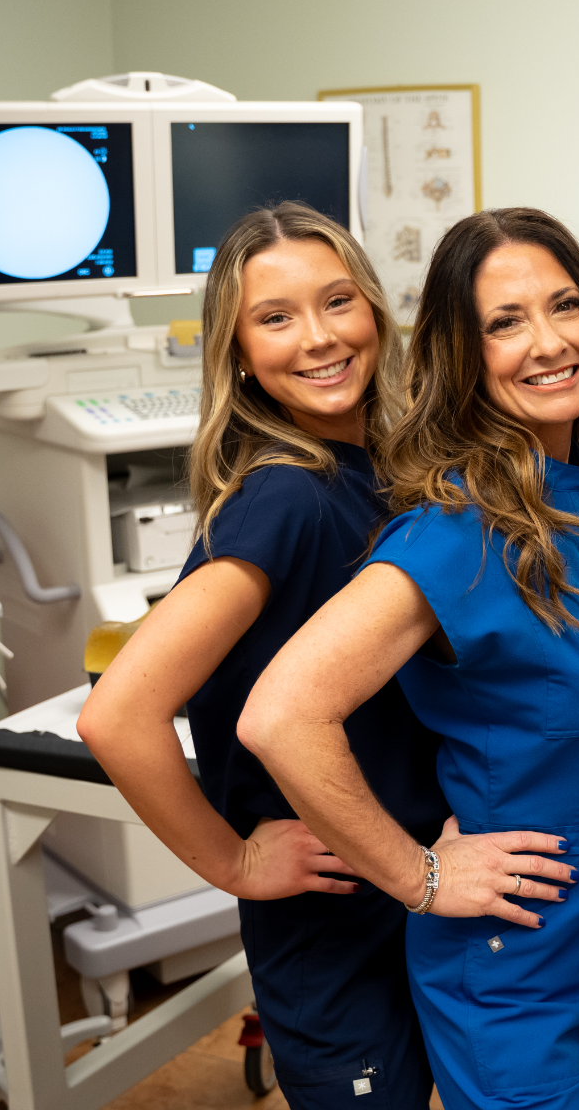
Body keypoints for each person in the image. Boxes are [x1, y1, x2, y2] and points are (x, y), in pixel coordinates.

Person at [239, 208, 579, 1110]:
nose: (547, 342)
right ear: (462, 357)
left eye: (564, 306)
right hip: (512, 941)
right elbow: (281, 715)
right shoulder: (452, 532)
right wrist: (418, 877)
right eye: (504, 323)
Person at [78, 202, 446, 1109]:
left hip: (407, 890)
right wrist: (232, 863)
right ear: (237, 351)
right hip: (333, 928)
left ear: (375, 311)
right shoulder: (283, 499)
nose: (319, 339)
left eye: (337, 303)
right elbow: (117, 716)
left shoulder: (386, 471)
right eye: (276, 318)